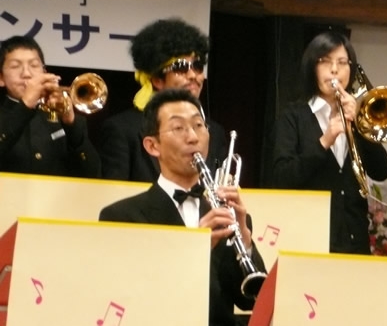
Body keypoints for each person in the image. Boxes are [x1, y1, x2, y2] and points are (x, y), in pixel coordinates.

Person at [99, 88, 265, 326]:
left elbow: (251, 301)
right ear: (152, 146)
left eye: (199, 125)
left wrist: (245, 241)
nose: (193, 137)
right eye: (178, 128)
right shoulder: (121, 217)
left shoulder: (226, 215)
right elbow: (132, 297)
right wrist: (194, 248)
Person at [269, 31, 387, 254]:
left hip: (355, 243)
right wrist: (324, 141)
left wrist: (360, 127)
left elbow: (382, 170)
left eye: (342, 63)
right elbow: (281, 177)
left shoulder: (358, 118)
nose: (334, 69)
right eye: (325, 62)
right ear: (312, 68)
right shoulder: (293, 117)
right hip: (309, 241)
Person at [98, 18, 228, 181]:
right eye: (180, 67)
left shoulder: (215, 132)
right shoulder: (122, 130)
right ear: (157, 80)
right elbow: (114, 193)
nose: (192, 75)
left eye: (198, 66)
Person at [0, 35, 100, 177]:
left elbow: (93, 173)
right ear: (1, 78)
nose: (26, 74)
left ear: (44, 73)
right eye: (15, 66)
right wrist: (26, 104)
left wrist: (71, 123)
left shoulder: (68, 119)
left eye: (34, 65)